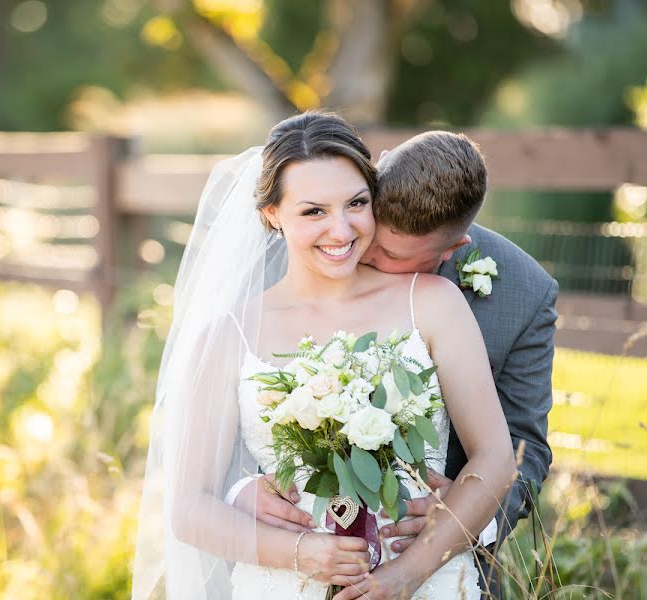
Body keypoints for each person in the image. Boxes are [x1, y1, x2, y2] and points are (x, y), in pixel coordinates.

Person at [132, 112, 516, 599]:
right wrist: (299, 554)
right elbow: (189, 508)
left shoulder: (433, 302)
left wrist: (407, 575)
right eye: (313, 211)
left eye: (356, 203)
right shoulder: (228, 337)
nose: (341, 230)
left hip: (423, 580)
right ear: (272, 213)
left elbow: (497, 459)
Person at [240, 130, 559, 599]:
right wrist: (238, 492)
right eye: (370, 222)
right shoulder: (297, 241)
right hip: (287, 550)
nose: (353, 249)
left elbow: (522, 451)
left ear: (450, 250)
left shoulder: (522, 293)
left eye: (389, 255)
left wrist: (455, 521)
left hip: (436, 560)